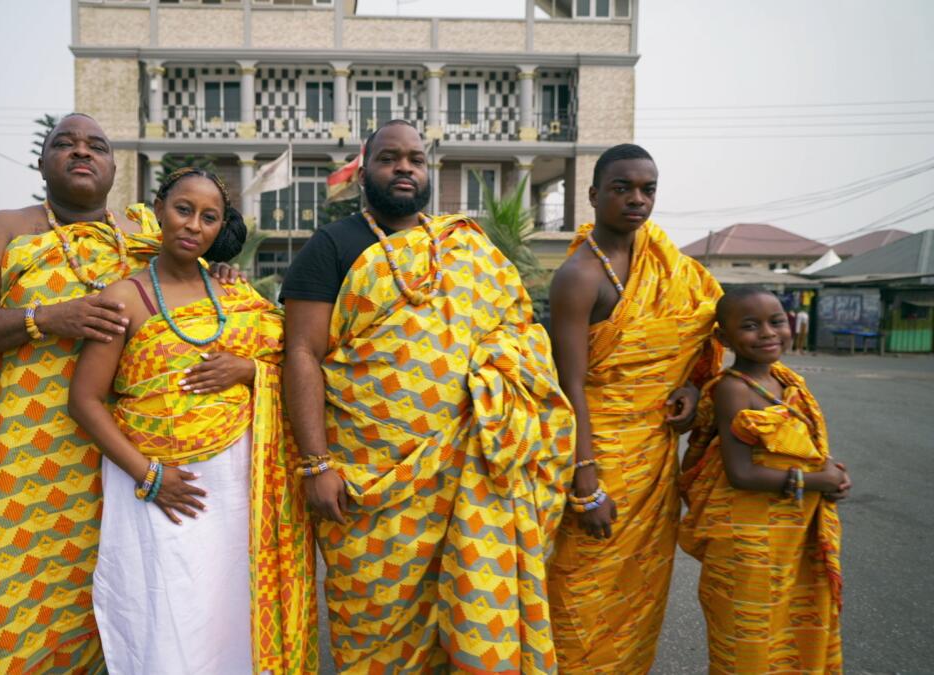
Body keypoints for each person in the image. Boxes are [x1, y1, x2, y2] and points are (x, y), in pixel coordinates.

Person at [0, 114, 242, 674]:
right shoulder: (3, 228)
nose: (82, 152)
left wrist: (215, 272)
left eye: (96, 145)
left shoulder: (147, 231)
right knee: (29, 605)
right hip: (31, 465)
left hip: (128, 460)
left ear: (114, 166)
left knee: (138, 603)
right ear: (42, 160)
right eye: (65, 143)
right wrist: (47, 317)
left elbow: (183, 282)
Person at [282, 120, 575, 672]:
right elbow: (301, 354)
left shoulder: (467, 248)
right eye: (390, 158)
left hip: (472, 468)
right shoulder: (332, 246)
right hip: (372, 480)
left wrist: (499, 381)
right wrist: (316, 462)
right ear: (364, 168)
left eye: (415, 159)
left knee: (469, 610)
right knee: (374, 627)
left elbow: (516, 333)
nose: (404, 168)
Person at [68, 168, 317, 674]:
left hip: (239, 488)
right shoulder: (123, 298)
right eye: (183, 210)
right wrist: (150, 476)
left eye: (209, 218)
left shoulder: (234, 293)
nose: (193, 226)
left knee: (230, 607)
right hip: (157, 483)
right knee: (168, 609)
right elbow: (85, 401)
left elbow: (289, 358)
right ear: (158, 209)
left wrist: (249, 370)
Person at [545, 143, 723, 673]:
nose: (636, 200)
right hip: (598, 454)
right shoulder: (579, 275)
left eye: (647, 190)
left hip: (654, 457)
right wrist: (585, 483)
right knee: (580, 590)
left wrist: (693, 387)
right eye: (622, 188)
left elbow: (709, 329)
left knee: (638, 597)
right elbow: (568, 386)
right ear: (595, 194)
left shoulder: (666, 264)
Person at [679, 287, 849, 673]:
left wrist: (832, 475)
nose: (769, 333)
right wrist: (815, 481)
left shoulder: (786, 382)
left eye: (776, 322)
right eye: (751, 326)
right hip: (748, 543)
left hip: (792, 537)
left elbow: (803, 450)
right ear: (724, 339)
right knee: (748, 643)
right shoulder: (735, 389)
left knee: (790, 632)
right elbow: (741, 473)